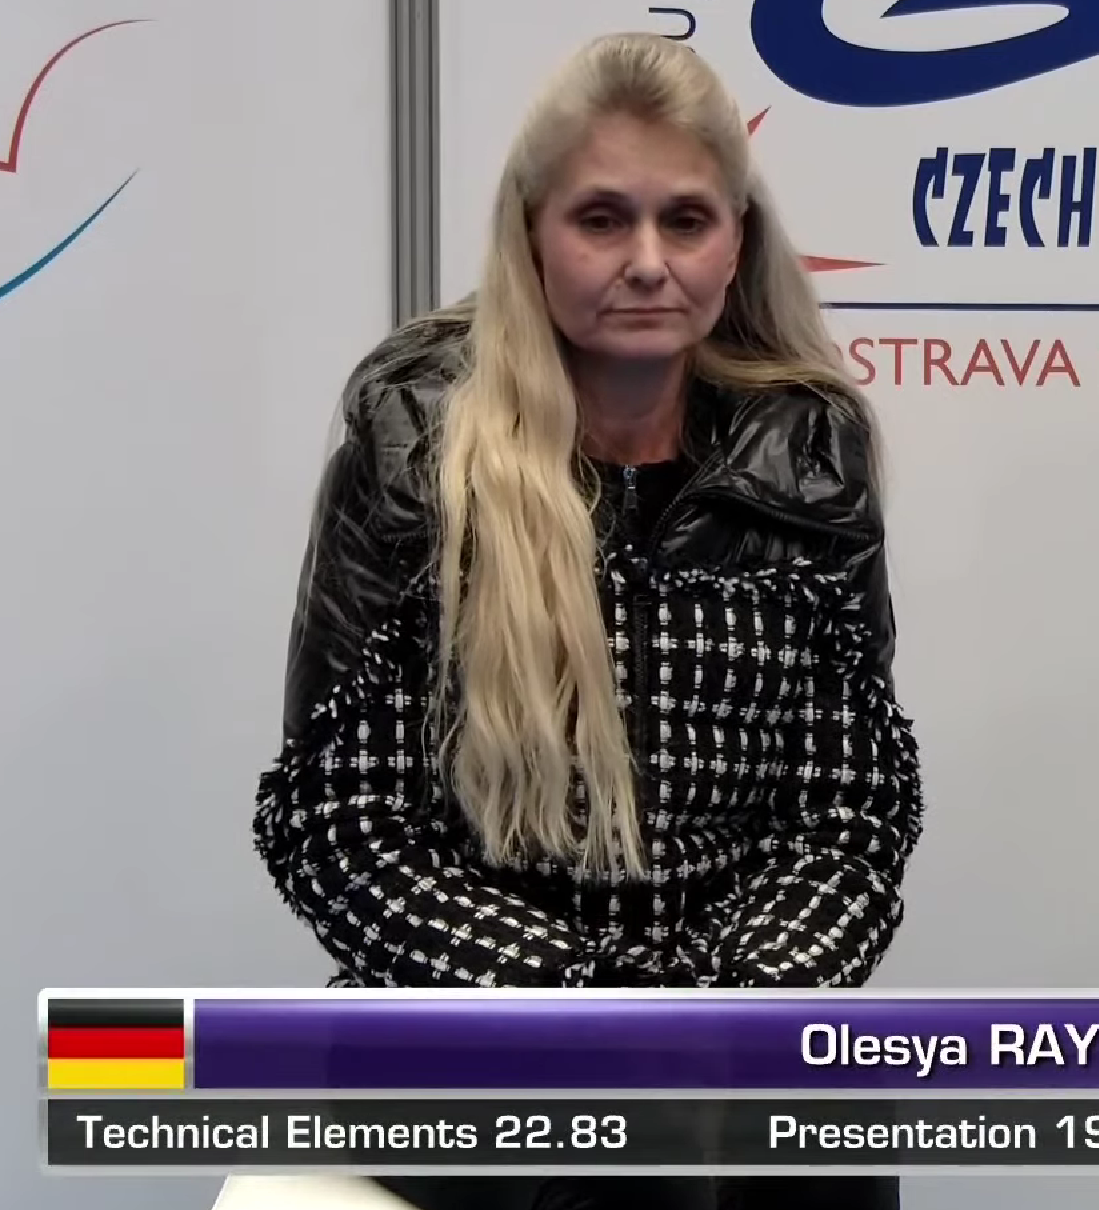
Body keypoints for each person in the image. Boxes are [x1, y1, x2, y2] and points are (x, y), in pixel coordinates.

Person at [249, 32, 923, 1210]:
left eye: (685, 221)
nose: (647, 262)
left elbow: (847, 812)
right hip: (466, 1029)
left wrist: (730, 1008)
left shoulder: (812, 448)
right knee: (641, 1174)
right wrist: (586, 1009)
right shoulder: (413, 432)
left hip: (729, 1029)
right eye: (602, 219)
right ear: (531, 235)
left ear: (736, 243)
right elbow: (339, 822)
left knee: (805, 1154)